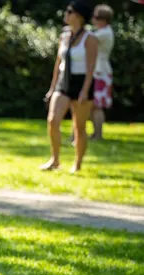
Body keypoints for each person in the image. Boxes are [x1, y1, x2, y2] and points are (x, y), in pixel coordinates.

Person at [41, 1, 97, 173]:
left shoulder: (90, 39)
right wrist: (52, 88)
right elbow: (58, 63)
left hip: (81, 83)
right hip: (63, 82)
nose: (66, 14)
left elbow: (90, 68)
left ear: (79, 16)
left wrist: (85, 91)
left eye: (69, 11)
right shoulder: (64, 36)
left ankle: (77, 164)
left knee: (78, 127)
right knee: (52, 120)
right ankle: (55, 160)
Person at [91, 4, 114, 140]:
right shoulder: (103, 31)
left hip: (100, 71)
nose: (93, 19)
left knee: (97, 105)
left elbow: (88, 38)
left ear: (102, 19)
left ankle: (98, 134)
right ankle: (95, 134)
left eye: (95, 17)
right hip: (99, 70)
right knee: (94, 106)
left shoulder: (104, 33)